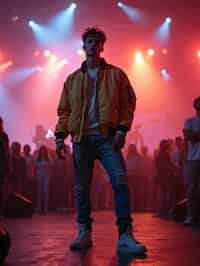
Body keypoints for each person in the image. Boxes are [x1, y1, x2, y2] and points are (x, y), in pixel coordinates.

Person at [54, 27, 147, 254]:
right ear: (83, 46)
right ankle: (84, 232)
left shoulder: (117, 75)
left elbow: (128, 103)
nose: (93, 45)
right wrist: (59, 137)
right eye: (89, 41)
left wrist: (122, 130)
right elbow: (64, 110)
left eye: (96, 42)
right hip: (81, 139)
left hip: (107, 138)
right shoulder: (72, 79)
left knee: (121, 182)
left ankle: (125, 234)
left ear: (102, 46)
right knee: (81, 188)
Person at [183, 96, 200, 225]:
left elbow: (191, 135)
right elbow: (188, 136)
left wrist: (195, 134)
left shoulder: (190, 124)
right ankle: (190, 216)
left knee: (193, 189)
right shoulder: (189, 121)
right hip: (193, 159)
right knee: (191, 189)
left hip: (192, 159)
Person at [34, 145, 52, 214]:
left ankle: (45, 208)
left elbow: (51, 167)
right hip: (39, 176)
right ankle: (39, 207)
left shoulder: (49, 158)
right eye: (41, 149)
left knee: (46, 191)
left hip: (46, 176)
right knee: (39, 192)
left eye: (44, 149)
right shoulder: (37, 158)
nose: (42, 151)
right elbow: (35, 168)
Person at [0, 117, 9, 215]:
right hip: (2, 164)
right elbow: (7, 152)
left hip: (1, 164)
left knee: (2, 188)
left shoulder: (3, 136)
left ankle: (1, 210)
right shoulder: (3, 135)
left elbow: (6, 151)